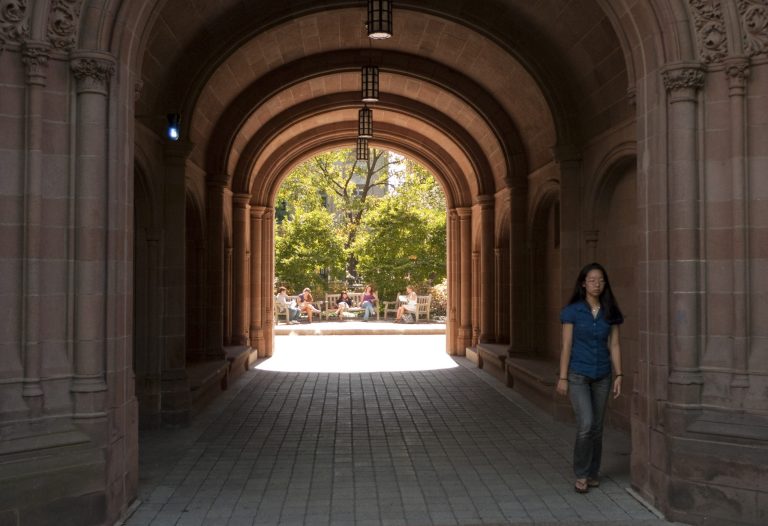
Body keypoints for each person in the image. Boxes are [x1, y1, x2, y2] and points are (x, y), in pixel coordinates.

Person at [556, 262, 624, 494]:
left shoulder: (610, 311)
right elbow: (566, 346)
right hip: (577, 375)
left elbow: (614, 345)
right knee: (585, 425)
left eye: (601, 280)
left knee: (596, 427)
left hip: (603, 375)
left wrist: (619, 374)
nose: (597, 284)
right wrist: (563, 377)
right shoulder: (572, 311)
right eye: (592, 280)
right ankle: (582, 474)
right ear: (583, 283)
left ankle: (594, 473)